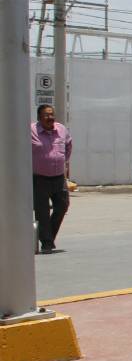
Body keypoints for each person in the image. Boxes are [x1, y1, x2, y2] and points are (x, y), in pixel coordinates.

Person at [31, 104, 72, 254]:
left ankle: (48, 238)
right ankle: (47, 243)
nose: (50, 118)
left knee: (62, 206)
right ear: (39, 118)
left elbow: (68, 145)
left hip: (59, 177)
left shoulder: (61, 129)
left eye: (52, 114)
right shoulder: (31, 131)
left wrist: (62, 161)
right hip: (39, 178)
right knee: (42, 212)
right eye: (46, 115)